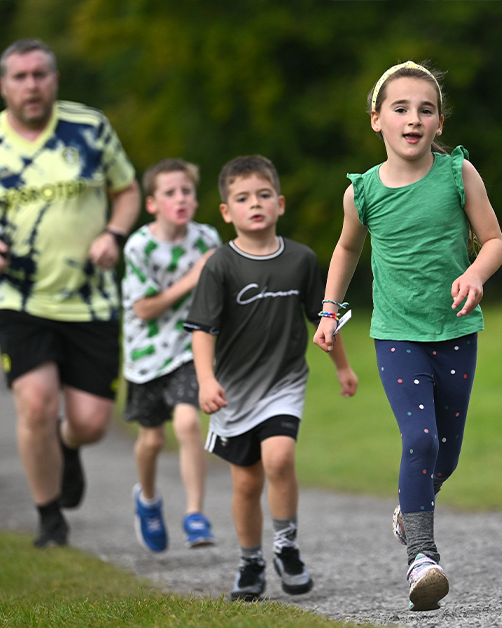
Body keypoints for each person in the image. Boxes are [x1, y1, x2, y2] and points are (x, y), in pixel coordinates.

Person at [312, 61, 502, 612]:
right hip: (396, 334)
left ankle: (410, 505)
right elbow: (347, 249)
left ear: (439, 123)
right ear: (377, 120)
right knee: (419, 441)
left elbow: (494, 242)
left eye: (425, 109)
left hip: (454, 329)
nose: (413, 119)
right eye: (400, 109)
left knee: (446, 453)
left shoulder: (459, 175)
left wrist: (474, 273)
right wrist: (329, 310)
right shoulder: (363, 193)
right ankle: (422, 558)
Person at [0, 38, 140, 548]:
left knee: (91, 422)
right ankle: (49, 518)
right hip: (18, 299)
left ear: (55, 80)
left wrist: (113, 234)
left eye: (40, 74)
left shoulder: (88, 128)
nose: (31, 85)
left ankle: (68, 448)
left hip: (90, 297)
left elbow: (129, 190)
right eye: (20, 76)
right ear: (3, 85)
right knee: (36, 403)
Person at [186, 155, 358, 601]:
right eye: (242, 198)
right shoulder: (219, 265)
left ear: (279, 204)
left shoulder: (301, 259)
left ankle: (286, 546)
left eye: (264, 195)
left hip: (285, 382)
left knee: (279, 460)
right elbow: (203, 330)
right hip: (235, 391)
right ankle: (250, 562)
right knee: (246, 482)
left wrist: (341, 366)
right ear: (227, 212)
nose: (255, 204)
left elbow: (324, 318)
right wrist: (205, 380)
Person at [121, 158, 221, 552]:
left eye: (187, 191)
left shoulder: (207, 239)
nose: (180, 198)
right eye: (170, 192)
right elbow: (144, 308)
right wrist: (191, 279)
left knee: (187, 422)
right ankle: (147, 500)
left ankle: (195, 515)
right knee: (151, 440)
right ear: (152, 204)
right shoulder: (139, 246)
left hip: (187, 348)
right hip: (145, 354)